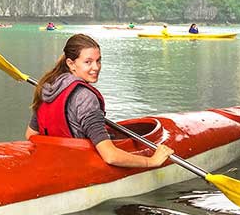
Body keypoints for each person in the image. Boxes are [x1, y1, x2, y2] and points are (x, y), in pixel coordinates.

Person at [25, 34, 174, 168]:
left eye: (98, 60)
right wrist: (152, 161)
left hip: (54, 160)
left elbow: (31, 135)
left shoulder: (48, 87)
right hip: (77, 164)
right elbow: (110, 156)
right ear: (71, 64)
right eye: (88, 62)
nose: (96, 67)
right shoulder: (85, 98)